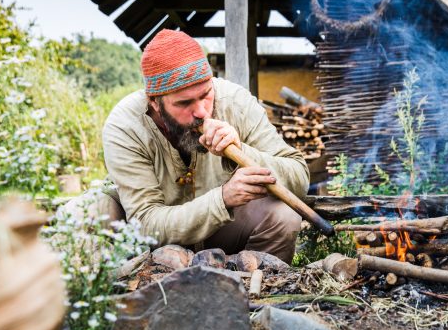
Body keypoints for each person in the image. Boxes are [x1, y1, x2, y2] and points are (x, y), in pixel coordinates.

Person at [85, 29, 309, 264]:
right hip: (151, 243)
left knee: (283, 215)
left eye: (206, 94)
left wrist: (240, 151)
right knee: (86, 211)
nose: (202, 111)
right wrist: (222, 199)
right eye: (184, 103)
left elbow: (299, 179)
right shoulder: (125, 126)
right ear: (154, 101)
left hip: (223, 230)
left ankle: (254, 286)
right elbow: (146, 225)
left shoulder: (236, 103)